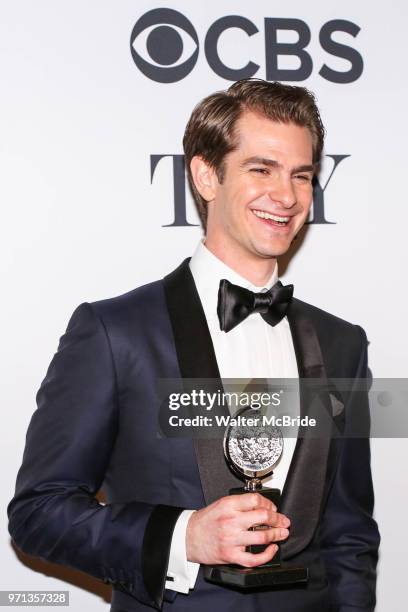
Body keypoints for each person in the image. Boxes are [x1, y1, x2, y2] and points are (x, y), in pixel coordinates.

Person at [8, 79, 380, 612]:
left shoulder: (343, 343)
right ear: (206, 175)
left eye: (302, 175)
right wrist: (182, 537)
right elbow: (39, 512)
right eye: (261, 169)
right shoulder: (115, 333)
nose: (287, 195)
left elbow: (350, 531)